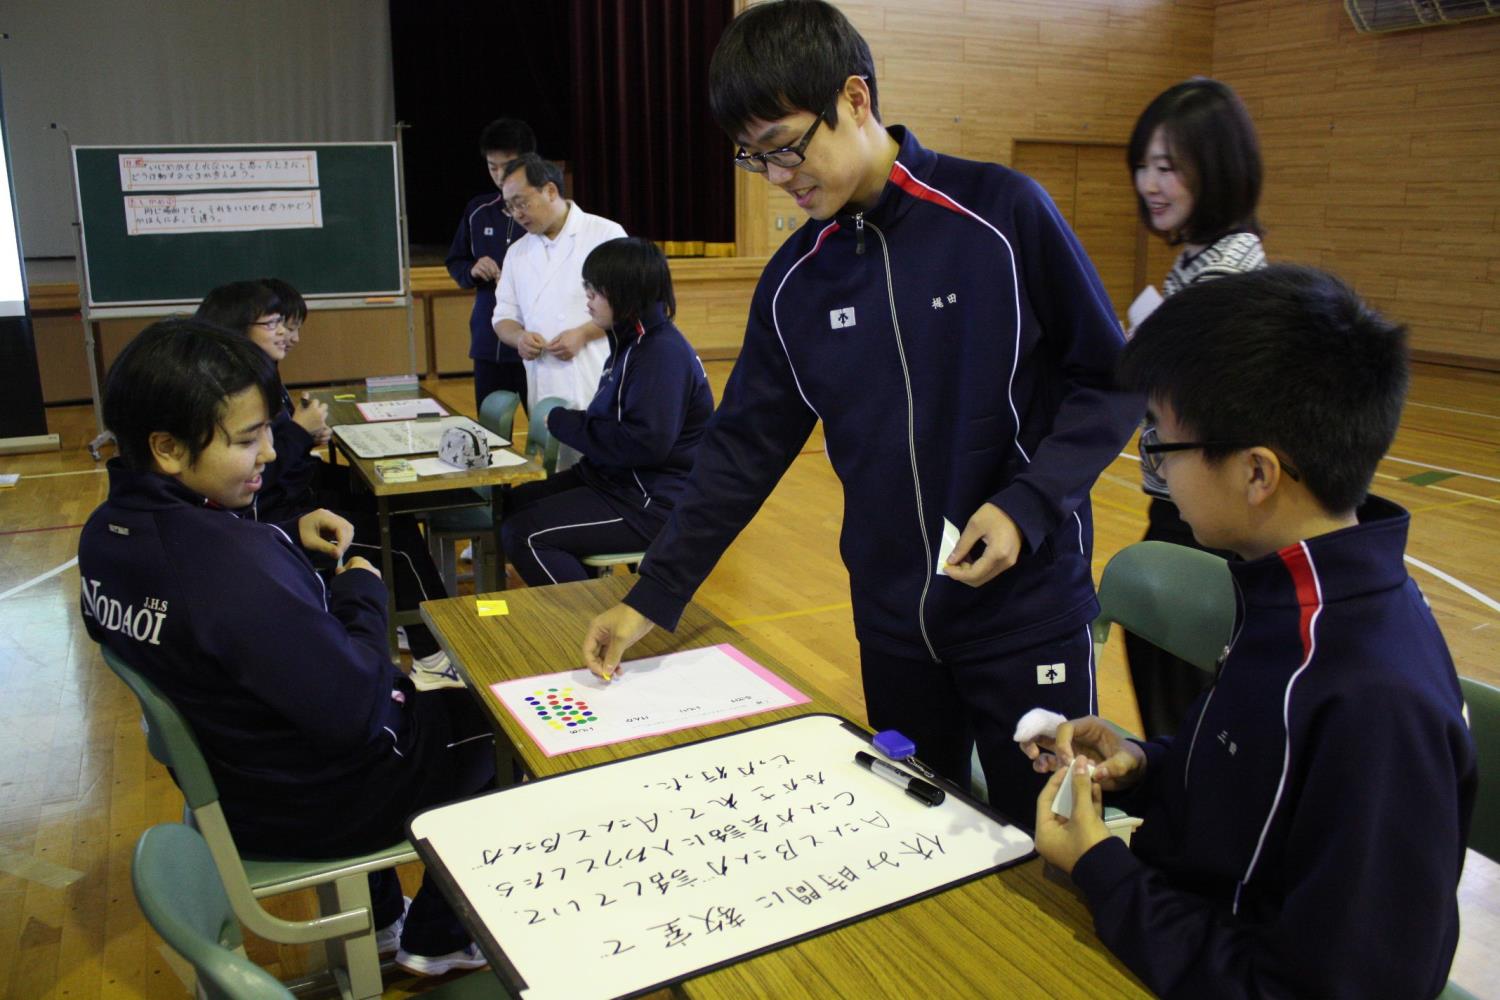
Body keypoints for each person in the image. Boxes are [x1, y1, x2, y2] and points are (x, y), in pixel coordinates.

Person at [581, 0, 1142, 826]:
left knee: (1052, 844)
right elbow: (740, 452)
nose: (777, 177)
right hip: (892, 629)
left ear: (853, 98)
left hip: (1024, 617)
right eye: (754, 158)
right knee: (916, 835)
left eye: (785, 148)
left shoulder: (1000, 215)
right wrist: (653, 594)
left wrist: (1027, 504)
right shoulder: (792, 285)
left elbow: (1113, 378)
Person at [1023, 265, 1477, 999]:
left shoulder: (1377, 703)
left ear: (1258, 474)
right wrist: (1148, 763)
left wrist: (1100, 866)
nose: (1156, 474)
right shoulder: (1293, 591)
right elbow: (1269, 779)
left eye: (1161, 448)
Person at [79, 319, 495, 976]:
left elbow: (212, 614)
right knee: (494, 728)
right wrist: (361, 592)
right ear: (165, 447)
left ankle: (383, 922)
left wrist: (280, 536)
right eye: (248, 439)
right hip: (304, 802)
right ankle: (440, 940)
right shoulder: (226, 567)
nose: (271, 453)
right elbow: (359, 710)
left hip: (230, 775)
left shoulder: (105, 534)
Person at [195, 281, 459, 689]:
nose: (287, 334)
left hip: (288, 505)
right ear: (236, 327)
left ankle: (417, 622)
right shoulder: (230, 390)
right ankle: (434, 656)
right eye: (275, 324)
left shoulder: (257, 378)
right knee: (398, 541)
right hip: (275, 521)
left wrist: (301, 437)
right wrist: (297, 435)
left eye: (288, 324)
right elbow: (261, 477)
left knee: (382, 502)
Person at [1125, 77, 1269, 738]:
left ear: (1218, 169)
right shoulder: (1197, 266)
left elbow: (1201, 410)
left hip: (1206, 528)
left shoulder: (1219, 281)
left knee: (1188, 720)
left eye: (1169, 167)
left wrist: (1138, 363)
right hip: (1181, 513)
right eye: (1144, 165)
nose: (1150, 183)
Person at [501, 237, 713, 585]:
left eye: (594, 292)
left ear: (626, 292)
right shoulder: (630, 344)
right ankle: (583, 598)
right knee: (508, 506)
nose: (588, 301)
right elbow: (610, 423)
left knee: (525, 533)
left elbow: (644, 444)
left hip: (651, 503)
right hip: (611, 481)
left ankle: (588, 629)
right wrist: (574, 423)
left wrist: (565, 424)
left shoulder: (661, 354)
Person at [492, 153, 627, 466]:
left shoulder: (604, 234)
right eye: (509, 206)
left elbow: (631, 304)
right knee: (556, 470)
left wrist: (583, 334)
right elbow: (503, 318)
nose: (517, 214)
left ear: (550, 191)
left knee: (602, 472)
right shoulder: (517, 252)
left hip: (597, 374)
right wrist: (519, 338)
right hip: (544, 383)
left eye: (521, 202)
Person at [446, 118, 537, 413]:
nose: (499, 175)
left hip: (536, 345)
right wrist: (472, 270)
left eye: (507, 165)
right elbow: (456, 261)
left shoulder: (544, 215)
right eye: (491, 166)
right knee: (492, 434)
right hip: (488, 342)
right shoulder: (478, 210)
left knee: (545, 434)